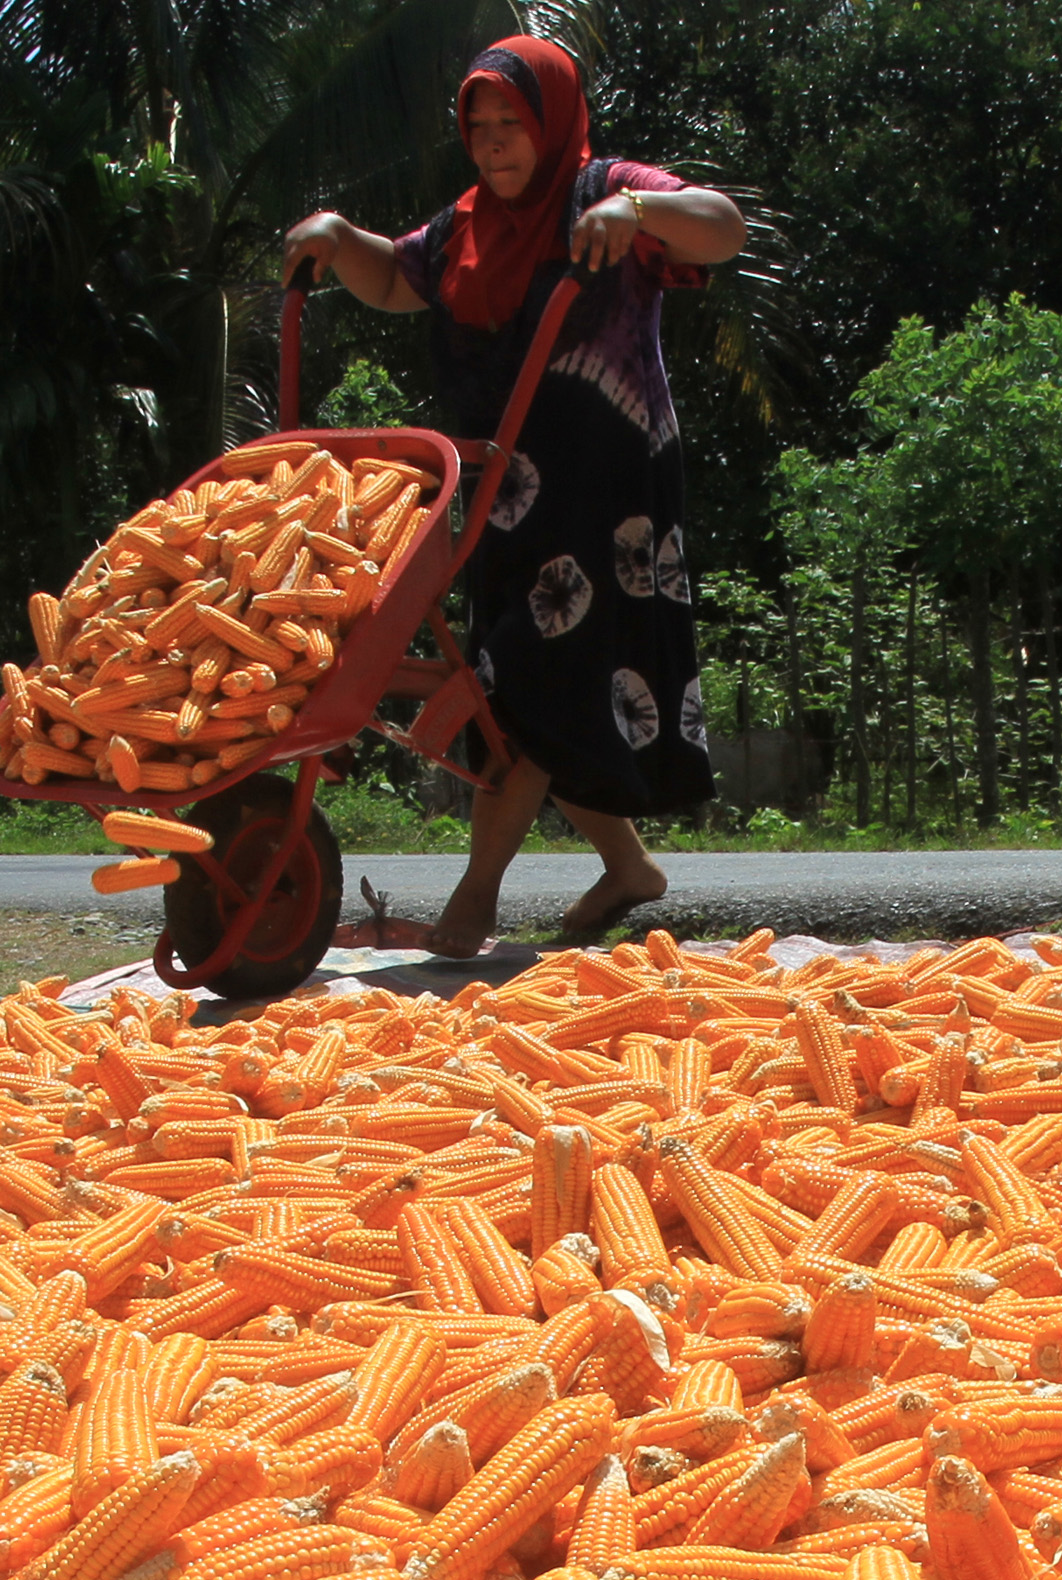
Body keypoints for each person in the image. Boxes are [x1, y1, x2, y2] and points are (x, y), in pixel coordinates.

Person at [285, 38, 747, 956]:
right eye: (479, 128)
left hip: (608, 483)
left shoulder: (604, 190)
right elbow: (394, 277)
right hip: (505, 486)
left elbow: (722, 226)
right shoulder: (461, 227)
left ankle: (474, 903)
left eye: (512, 125)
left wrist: (641, 208)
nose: (494, 145)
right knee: (522, 688)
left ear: (551, 124)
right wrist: (341, 242)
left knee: (522, 673)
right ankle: (630, 869)